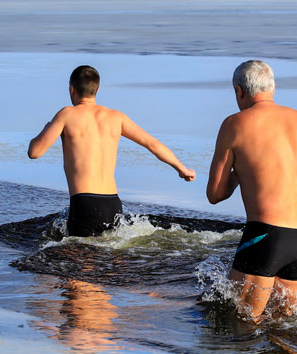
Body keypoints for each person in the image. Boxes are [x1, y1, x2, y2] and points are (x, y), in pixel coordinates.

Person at [206, 60, 297, 321]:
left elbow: (215, 194)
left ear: (239, 91)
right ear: (273, 87)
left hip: (266, 235)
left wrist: (240, 172)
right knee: (283, 329)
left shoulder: (234, 124)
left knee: (241, 324)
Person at [28, 65, 196, 236]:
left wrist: (46, 129)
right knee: (108, 259)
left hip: (84, 202)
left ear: (72, 89)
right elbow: (152, 143)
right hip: (113, 204)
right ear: (98, 89)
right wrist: (182, 169)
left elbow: (34, 152)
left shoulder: (66, 114)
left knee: (79, 260)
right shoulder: (116, 117)